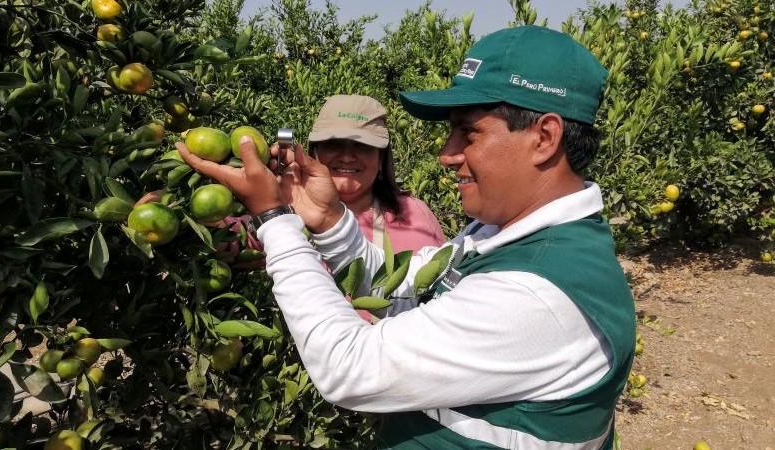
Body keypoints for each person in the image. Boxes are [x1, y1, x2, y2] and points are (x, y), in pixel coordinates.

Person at [177, 25, 636, 450]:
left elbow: (352, 368)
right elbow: (405, 287)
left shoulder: (537, 292)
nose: (446, 155)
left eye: (467, 132)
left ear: (544, 137)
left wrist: (275, 219)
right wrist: (326, 219)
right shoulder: (503, 235)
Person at [307, 94, 445, 252]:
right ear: (314, 154)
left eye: (361, 146)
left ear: (381, 159)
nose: (346, 157)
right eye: (334, 144)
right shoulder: (289, 213)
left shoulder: (413, 215)